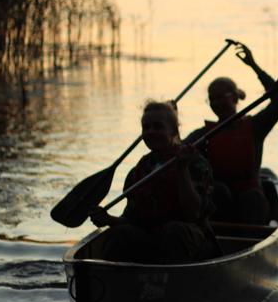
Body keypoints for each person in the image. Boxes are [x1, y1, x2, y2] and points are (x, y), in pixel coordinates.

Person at [88, 101, 219, 264]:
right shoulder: (139, 170)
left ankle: (173, 282)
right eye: (146, 127)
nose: (151, 132)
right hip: (150, 238)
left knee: (174, 231)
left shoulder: (196, 163)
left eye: (158, 127)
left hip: (190, 241)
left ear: (174, 130)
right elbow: (132, 220)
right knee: (119, 234)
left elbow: (193, 214)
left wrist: (182, 170)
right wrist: (108, 219)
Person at [185, 42, 278, 225]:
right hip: (221, 205)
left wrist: (254, 66)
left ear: (233, 98)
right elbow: (179, 148)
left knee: (251, 197)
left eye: (220, 97)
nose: (215, 103)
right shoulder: (204, 134)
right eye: (211, 99)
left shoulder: (256, 127)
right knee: (218, 191)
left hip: (252, 204)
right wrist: (171, 115)